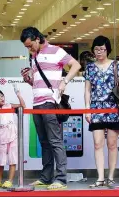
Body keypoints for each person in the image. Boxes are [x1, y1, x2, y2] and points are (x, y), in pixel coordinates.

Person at [20, 27, 80, 190]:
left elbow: (75, 65)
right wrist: (29, 80)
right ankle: (46, 177)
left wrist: (64, 82)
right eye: (26, 47)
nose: (29, 49)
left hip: (50, 102)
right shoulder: (34, 56)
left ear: (37, 39)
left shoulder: (56, 51)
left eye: (30, 45)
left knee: (55, 141)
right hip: (37, 103)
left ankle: (61, 178)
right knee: (44, 142)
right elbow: (38, 81)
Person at [83, 36, 119, 188]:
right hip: (96, 108)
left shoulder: (117, 65)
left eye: (102, 49)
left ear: (107, 49)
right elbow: (87, 90)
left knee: (112, 144)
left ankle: (111, 177)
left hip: (113, 107)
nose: (99, 52)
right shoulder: (90, 67)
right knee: (97, 143)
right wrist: (87, 109)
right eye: (96, 49)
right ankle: (100, 177)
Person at [0, 86, 25, 189]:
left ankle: (9, 181)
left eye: (2, 96)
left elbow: (23, 106)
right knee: (1, 160)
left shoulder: (9, 105)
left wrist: (18, 94)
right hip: (1, 138)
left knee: (12, 159)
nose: (1, 98)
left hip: (13, 137)